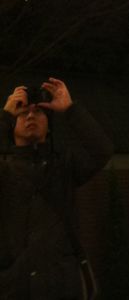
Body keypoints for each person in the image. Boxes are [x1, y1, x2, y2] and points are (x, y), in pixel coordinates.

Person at [0, 77, 114, 299]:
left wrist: (71, 110)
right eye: (23, 114)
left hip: (63, 286)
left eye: (38, 112)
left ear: (49, 127)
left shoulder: (64, 166)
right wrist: (5, 116)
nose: (30, 116)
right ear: (12, 128)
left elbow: (102, 150)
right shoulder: (4, 172)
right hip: (15, 288)